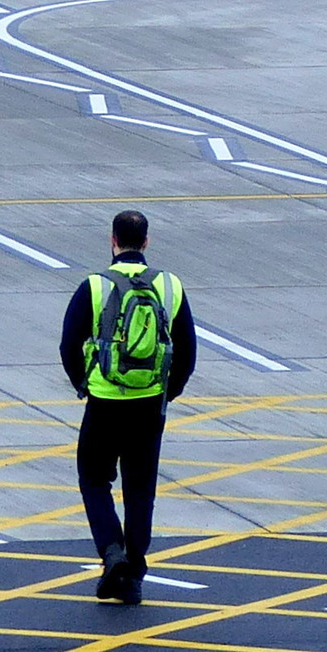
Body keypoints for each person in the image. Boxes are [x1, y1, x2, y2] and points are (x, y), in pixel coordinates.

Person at [59, 210, 196, 605]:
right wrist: (168, 391)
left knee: (94, 479)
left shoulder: (96, 286)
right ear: (147, 243)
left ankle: (111, 553)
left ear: (112, 241)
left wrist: (83, 385)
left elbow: (69, 344)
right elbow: (187, 349)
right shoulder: (170, 286)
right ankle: (132, 575)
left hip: (104, 402)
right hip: (149, 404)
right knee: (140, 491)